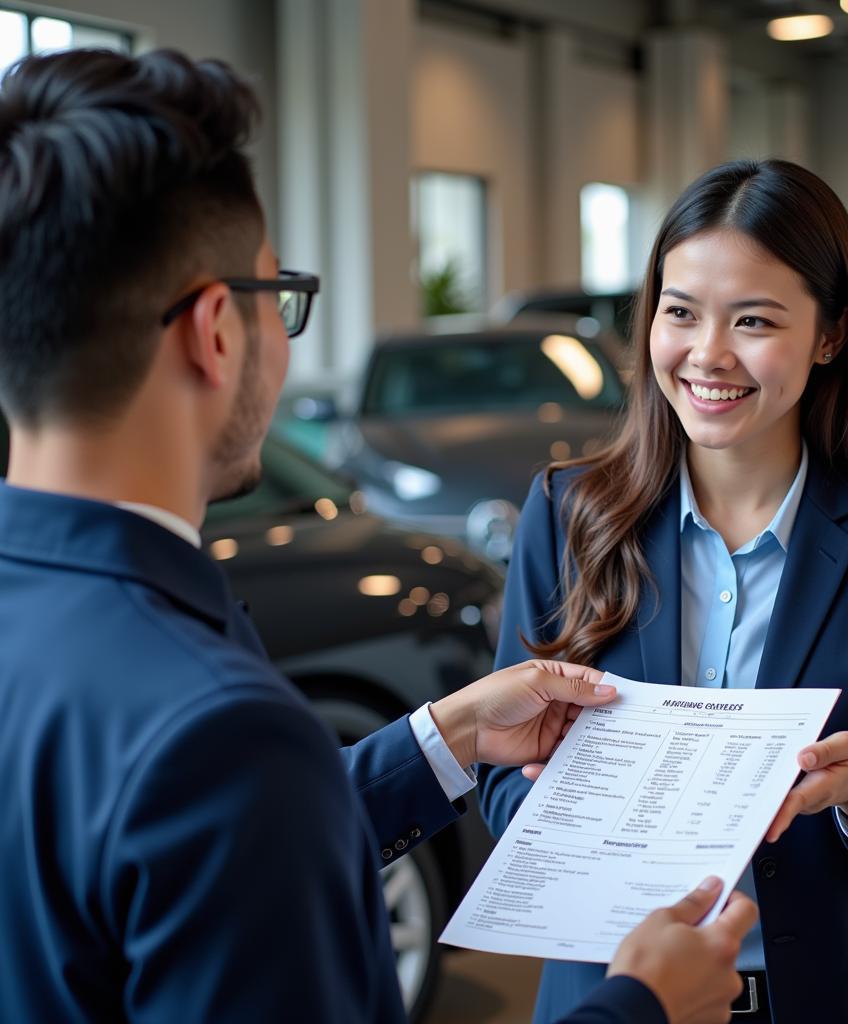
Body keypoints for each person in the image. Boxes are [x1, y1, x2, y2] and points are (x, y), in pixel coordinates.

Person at [0, 48, 757, 1024]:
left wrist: (445, 737)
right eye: (278, 297)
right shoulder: (217, 730)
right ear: (214, 333)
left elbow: (214, 871)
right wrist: (642, 1007)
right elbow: (224, 816)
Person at [478, 158, 848, 1024]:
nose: (708, 354)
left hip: (844, 1000)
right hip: (618, 998)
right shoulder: (567, 516)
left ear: (829, 335)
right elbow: (499, 787)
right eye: (680, 312)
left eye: (754, 320)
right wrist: (565, 803)